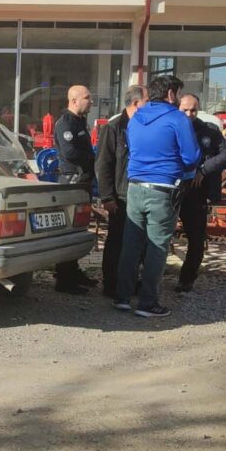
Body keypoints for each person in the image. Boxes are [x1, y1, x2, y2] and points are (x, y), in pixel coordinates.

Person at [114, 75, 201, 317]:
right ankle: (147, 303)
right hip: (163, 188)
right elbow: (191, 157)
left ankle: (122, 297)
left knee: (131, 244)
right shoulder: (177, 119)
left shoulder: (136, 117)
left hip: (135, 187)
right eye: (179, 93)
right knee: (157, 246)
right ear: (171, 94)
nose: (179, 98)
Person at [175, 93, 226, 293]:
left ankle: (187, 279)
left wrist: (204, 170)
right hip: (172, 188)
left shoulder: (209, 130)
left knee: (196, 238)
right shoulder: (169, 128)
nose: (189, 114)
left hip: (196, 192)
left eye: (193, 110)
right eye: (185, 110)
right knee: (159, 235)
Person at [96, 85, 148, 298]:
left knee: (136, 243)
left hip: (139, 193)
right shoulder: (114, 128)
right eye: (147, 102)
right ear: (136, 103)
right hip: (120, 196)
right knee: (116, 242)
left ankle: (130, 282)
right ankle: (111, 285)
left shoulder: (144, 127)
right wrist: (107, 196)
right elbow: (103, 164)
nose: (150, 106)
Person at [53, 85, 96, 295]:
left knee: (78, 228)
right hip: (72, 181)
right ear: (74, 100)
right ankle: (64, 278)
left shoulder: (80, 121)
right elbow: (70, 153)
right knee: (69, 229)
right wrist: (94, 158)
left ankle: (74, 271)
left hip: (83, 181)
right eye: (88, 98)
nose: (91, 101)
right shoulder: (66, 123)